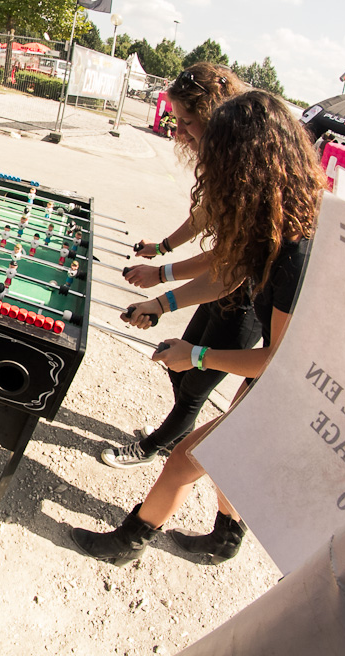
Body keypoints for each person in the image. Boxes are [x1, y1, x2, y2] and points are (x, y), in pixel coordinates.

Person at [70, 90, 326, 567]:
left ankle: (127, 543)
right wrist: (162, 302)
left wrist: (197, 355)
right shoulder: (277, 218)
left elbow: (279, 358)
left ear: (249, 163)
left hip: (295, 384)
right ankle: (225, 539)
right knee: (231, 456)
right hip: (274, 378)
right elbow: (227, 274)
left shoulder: (296, 249)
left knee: (182, 461)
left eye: (220, 158)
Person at [99, 64, 259, 469]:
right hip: (227, 287)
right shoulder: (226, 162)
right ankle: (177, 435)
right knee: (179, 364)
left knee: (194, 385)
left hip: (252, 299)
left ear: (216, 117)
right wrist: (164, 248)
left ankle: (157, 446)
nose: (180, 132)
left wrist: (161, 290)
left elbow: (227, 265)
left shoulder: (248, 175)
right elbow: (206, 216)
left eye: (188, 122)